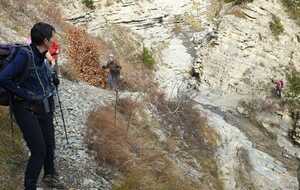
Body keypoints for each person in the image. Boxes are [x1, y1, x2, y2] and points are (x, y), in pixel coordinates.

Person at [0, 22, 64, 190]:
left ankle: (50, 176)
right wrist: (25, 94)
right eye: (52, 38)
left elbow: (38, 75)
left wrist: (52, 79)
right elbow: (3, 78)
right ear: (45, 40)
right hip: (25, 108)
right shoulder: (24, 55)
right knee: (39, 150)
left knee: (50, 144)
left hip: (44, 105)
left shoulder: (42, 55)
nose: (54, 40)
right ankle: (30, 187)